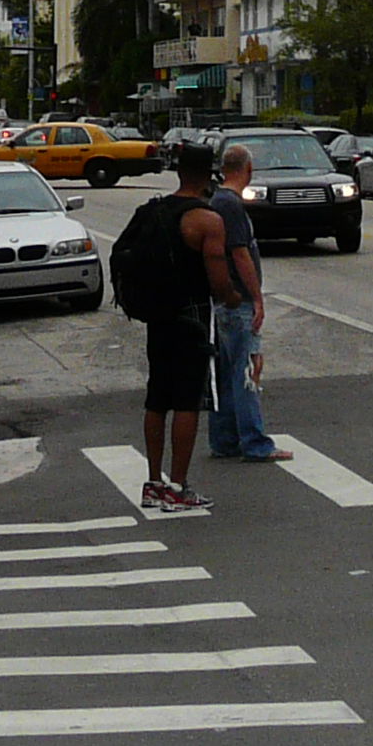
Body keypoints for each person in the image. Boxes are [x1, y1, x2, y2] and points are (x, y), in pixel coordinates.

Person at [138, 142, 239, 516]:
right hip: (192, 319)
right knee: (187, 401)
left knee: (157, 398)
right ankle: (178, 487)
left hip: (157, 316)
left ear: (179, 172)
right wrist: (232, 298)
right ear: (208, 176)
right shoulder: (206, 220)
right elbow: (218, 281)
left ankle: (153, 482)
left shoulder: (156, 211)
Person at [206, 144, 288, 464]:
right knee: (247, 372)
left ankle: (225, 439)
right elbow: (240, 254)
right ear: (248, 170)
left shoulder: (218, 201)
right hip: (237, 301)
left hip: (223, 300)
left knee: (227, 374)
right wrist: (257, 298)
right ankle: (255, 441)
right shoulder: (231, 205)